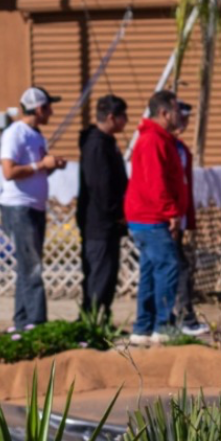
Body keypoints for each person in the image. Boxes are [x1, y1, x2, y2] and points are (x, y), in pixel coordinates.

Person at [124, 90, 193, 345]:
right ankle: (162, 325)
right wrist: (171, 213)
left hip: (149, 217)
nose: (180, 115)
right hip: (151, 217)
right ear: (164, 113)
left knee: (152, 270)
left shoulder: (160, 139)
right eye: (176, 110)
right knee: (168, 266)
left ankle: (143, 327)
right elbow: (156, 183)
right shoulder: (153, 140)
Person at [0, 87, 66, 330]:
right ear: (39, 109)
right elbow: (8, 172)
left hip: (33, 206)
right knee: (32, 267)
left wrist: (51, 165)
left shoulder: (36, 134)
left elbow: (36, 168)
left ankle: (22, 321)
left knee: (27, 266)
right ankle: (36, 322)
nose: (51, 111)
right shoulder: (15, 133)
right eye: (49, 106)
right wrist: (41, 164)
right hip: (19, 207)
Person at [78, 94, 129, 316]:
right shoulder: (96, 146)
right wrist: (117, 213)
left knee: (107, 275)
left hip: (108, 224)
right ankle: (90, 324)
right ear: (111, 117)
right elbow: (100, 186)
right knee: (99, 275)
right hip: (99, 224)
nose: (126, 120)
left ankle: (102, 319)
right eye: (122, 116)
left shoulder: (107, 143)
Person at [170, 102, 207, 336]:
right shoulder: (163, 146)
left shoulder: (180, 148)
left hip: (179, 218)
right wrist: (171, 215)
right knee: (178, 268)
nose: (184, 123)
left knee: (182, 267)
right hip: (167, 219)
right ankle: (183, 317)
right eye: (180, 118)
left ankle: (181, 316)